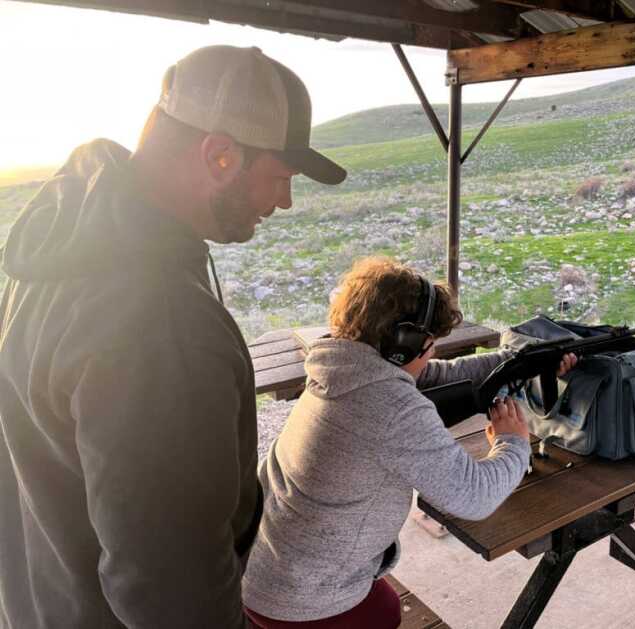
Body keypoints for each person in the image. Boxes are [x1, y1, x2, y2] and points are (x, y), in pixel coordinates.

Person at [0, 45, 345, 629]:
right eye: (280, 177)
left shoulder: (57, 247)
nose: (283, 202)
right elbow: (169, 588)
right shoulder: (157, 323)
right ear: (219, 156)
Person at [241, 257, 577, 628]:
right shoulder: (390, 406)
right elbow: (475, 497)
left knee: (381, 595)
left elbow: (435, 374)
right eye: (431, 344)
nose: (433, 354)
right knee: (386, 609)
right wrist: (513, 443)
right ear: (405, 344)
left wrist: (519, 361)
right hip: (304, 601)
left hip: (263, 573)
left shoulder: (341, 370)